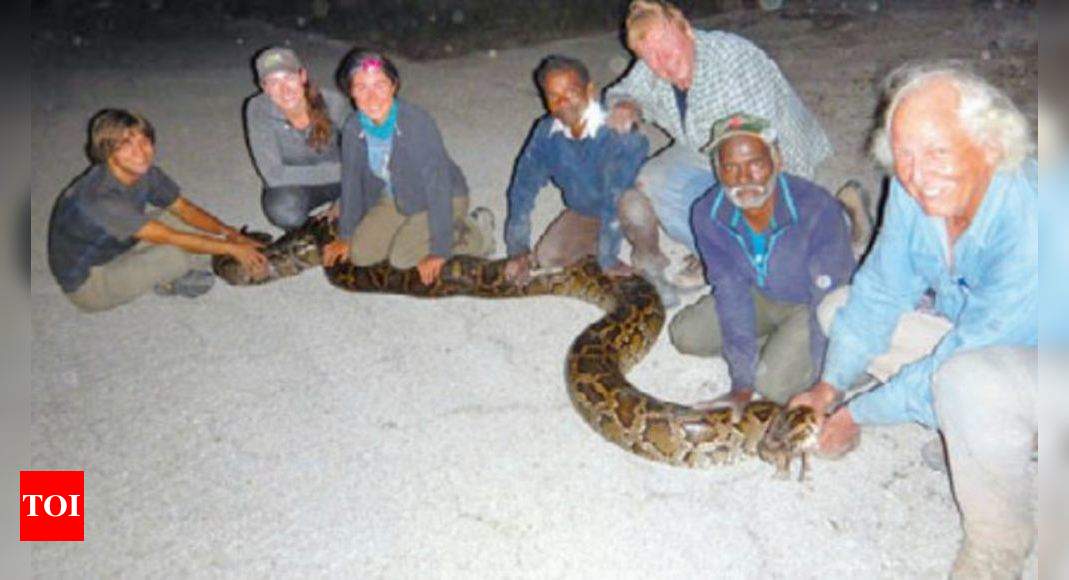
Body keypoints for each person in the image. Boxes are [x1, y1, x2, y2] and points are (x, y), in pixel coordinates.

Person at [790, 62, 1037, 578]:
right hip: (982, 339)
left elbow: (967, 351)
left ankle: (998, 547)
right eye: (904, 155)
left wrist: (860, 413)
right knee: (840, 309)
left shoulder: (1035, 215)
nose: (918, 176)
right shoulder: (913, 189)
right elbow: (881, 288)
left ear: (990, 145)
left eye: (937, 153)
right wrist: (829, 388)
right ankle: (971, 425)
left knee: (967, 383)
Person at [604, 0, 850, 293]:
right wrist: (624, 105)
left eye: (668, 49)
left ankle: (834, 222)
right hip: (705, 150)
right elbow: (623, 91)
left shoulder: (734, 60)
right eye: (650, 57)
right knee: (652, 180)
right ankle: (716, 254)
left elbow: (755, 152)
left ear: (687, 29)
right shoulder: (651, 67)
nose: (663, 63)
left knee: (757, 221)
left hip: (771, 159)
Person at [669, 113, 856, 408]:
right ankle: (770, 350)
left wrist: (828, 386)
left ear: (777, 160)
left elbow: (829, 299)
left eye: (755, 163)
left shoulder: (816, 208)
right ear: (717, 170)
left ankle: (854, 367)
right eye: (731, 167)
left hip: (809, 303)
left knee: (773, 388)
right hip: (759, 293)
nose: (743, 179)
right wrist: (741, 383)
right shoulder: (708, 212)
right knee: (685, 335)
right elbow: (731, 291)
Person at [48, 109, 269, 312]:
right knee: (174, 256)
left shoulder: (146, 173)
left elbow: (184, 209)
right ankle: (169, 279)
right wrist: (233, 249)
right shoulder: (100, 199)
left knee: (176, 221)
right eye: (126, 145)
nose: (141, 152)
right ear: (106, 151)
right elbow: (171, 238)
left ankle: (221, 256)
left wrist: (230, 233)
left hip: (115, 243)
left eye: (144, 141)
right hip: (90, 283)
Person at [322, 48, 493, 286]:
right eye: (361, 87)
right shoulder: (353, 127)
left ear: (393, 86)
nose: (372, 98)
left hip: (441, 197)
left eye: (379, 85)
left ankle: (477, 232)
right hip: (396, 197)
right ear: (350, 92)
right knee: (361, 255)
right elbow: (351, 182)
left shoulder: (416, 123)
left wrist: (440, 250)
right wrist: (347, 234)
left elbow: (438, 186)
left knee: (403, 258)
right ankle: (410, 230)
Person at [502, 55, 654, 287]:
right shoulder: (546, 132)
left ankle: (650, 260)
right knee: (549, 258)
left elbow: (615, 195)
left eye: (571, 92)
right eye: (553, 96)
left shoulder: (618, 132)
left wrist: (608, 258)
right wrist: (518, 249)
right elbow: (522, 189)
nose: (563, 102)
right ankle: (601, 245)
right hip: (589, 209)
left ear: (590, 90)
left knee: (633, 206)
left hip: (627, 201)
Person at [244, 47, 351, 230]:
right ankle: (315, 230)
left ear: (302, 77)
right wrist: (343, 172)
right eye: (274, 82)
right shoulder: (258, 109)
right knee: (283, 211)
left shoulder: (333, 102)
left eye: (289, 78)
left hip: (343, 181)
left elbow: (365, 154)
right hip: (300, 184)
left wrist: (344, 200)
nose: (285, 89)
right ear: (264, 87)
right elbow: (274, 175)